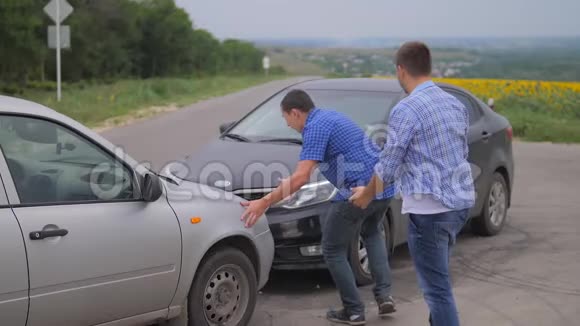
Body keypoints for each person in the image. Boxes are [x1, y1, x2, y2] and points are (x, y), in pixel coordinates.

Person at [241, 89, 396, 325]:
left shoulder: (314, 128)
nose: (289, 126)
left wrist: (263, 202)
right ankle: (384, 296)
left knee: (332, 250)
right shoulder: (331, 117)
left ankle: (353, 311)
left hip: (357, 194)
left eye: (286, 119)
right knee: (372, 232)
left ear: (295, 113)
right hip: (381, 188)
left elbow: (301, 177)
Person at [350, 41, 476, 326]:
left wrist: (367, 195)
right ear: (428, 68)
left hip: (430, 212)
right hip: (459, 206)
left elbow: (390, 164)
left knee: (437, 291)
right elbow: (461, 154)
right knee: (439, 281)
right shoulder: (455, 104)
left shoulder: (406, 110)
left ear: (401, 70)